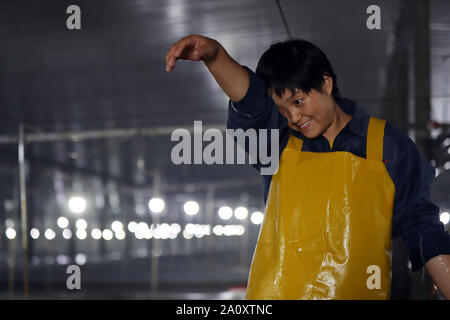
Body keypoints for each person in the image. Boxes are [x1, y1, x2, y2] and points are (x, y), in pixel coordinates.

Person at [165, 34, 450, 299]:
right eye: (282, 110)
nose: (294, 117)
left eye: (298, 101)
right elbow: (251, 102)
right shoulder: (277, 143)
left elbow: (422, 226)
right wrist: (215, 56)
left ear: (325, 84)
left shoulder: (389, 146)